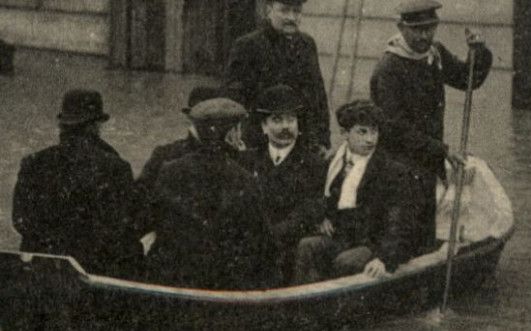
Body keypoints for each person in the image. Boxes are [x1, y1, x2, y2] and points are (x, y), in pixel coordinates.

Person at [370, 0, 492, 245]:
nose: (424, 36)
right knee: (401, 232)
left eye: (429, 28)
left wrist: (477, 52)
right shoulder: (389, 68)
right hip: (398, 164)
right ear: (401, 27)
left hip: (427, 161)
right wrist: (441, 150)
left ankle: (422, 268)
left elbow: (466, 79)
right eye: (416, 30)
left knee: (424, 230)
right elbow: (395, 128)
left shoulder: (433, 54)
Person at [144, 98, 276, 291]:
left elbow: (155, 219)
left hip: (173, 278)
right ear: (231, 134)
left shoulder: (169, 170)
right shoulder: (244, 179)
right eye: (238, 128)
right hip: (224, 281)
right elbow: (261, 242)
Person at [291, 100, 427, 284]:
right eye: (362, 132)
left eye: (374, 131)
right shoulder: (333, 163)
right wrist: (321, 217)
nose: (370, 139)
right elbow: (314, 196)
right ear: (345, 133)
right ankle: (300, 303)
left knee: (345, 262)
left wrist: (384, 258)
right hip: (341, 238)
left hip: (372, 244)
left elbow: (399, 222)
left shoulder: (391, 172)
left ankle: (336, 308)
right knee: (307, 246)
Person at [12, 89, 142, 279]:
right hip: (92, 271)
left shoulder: (34, 162)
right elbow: (120, 229)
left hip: (41, 267)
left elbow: (20, 220)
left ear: (62, 124)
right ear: (96, 125)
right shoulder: (114, 167)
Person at [224, 0, 330, 156]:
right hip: (260, 140)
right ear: (269, 10)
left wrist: (322, 139)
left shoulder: (307, 44)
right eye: (284, 10)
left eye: (297, 11)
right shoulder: (248, 45)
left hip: (301, 140)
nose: (291, 17)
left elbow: (317, 95)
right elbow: (234, 98)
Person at [243, 84, 328, 284]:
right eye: (277, 120)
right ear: (264, 126)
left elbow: (308, 211)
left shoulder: (314, 164)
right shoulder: (248, 161)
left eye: (291, 119)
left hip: (290, 244)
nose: (285, 127)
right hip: (253, 241)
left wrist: (270, 235)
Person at [132, 84, 222, 223]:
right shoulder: (164, 155)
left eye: (214, 120)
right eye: (204, 119)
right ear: (189, 119)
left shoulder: (232, 158)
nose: (210, 127)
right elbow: (139, 201)